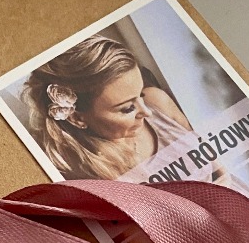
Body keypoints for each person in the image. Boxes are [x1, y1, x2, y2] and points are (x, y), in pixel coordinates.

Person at [20, 34, 230, 185]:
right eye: (128, 108)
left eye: (140, 94)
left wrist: (224, 181)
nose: (147, 112)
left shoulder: (156, 100)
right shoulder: (86, 171)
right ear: (76, 118)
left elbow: (209, 154)